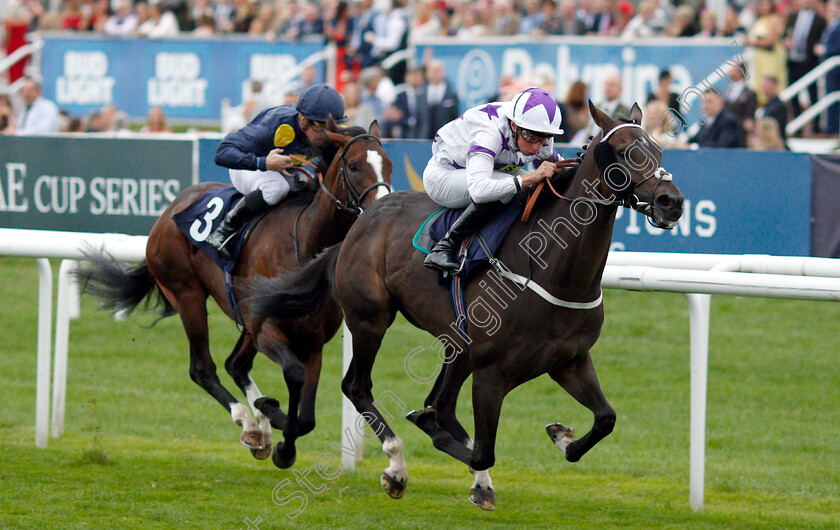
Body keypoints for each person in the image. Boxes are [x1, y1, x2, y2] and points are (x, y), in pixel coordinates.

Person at [422, 87, 575, 272]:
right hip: (443, 176)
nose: (536, 147)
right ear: (513, 126)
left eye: (544, 139)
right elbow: (480, 191)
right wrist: (532, 177)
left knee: (528, 184)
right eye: (531, 137)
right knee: (514, 184)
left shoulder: (537, 131)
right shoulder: (489, 133)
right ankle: (446, 246)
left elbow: (556, 166)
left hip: (481, 172)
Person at [206, 84, 347, 258]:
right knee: (277, 188)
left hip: (283, 169)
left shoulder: (320, 133)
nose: (328, 135)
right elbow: (222, 153)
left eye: (333, 127)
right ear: (303, 120)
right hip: (247, 168)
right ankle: (225, 229)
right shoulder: (276, 124)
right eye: (322, 127)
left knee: (311, 187)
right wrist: (263, 162)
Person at [748, 0, 788, 104]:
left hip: (770, 57)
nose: (764, 7)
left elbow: (771, 40)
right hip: (761, 57)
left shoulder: (774, 19)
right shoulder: (761, 19)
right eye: (761, 4)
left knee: (769, 84)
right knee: (759, 86)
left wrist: (753, 41)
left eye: (766, 4)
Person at [425, 59, 459, 139]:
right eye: (433, 71)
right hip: (424, 138)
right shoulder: (421, 93)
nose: (435, 74)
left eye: (438, 71)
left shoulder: (451, 94)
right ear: (427, 73)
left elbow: (455, 119)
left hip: (445, 138)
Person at [759, 75, 789, 140]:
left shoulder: (780, 106)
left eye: (765, 86)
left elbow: (779, 130)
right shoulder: (767, 105)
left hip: (775, 144)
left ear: (773, 86)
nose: (763, 89)